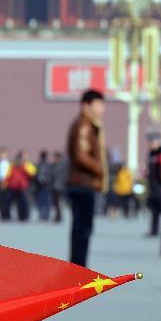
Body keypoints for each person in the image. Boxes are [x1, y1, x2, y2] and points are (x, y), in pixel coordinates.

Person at [66, 89, 107, 267]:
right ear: (86, 105)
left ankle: (79, 267)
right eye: (98, 104)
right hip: (82, 183)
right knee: (82, 230)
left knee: (82, 229)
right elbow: (81, 155)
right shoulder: (84, 125)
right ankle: (78, 268)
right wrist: (100, 169)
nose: (102, 109)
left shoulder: (90, 125)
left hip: (84, 183)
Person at [145, 136, 161, 236]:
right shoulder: (151, 154)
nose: (150, 144)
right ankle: (154, 230)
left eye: (152, 142)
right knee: (154, 211)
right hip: (153, 186)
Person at [4, 151, 34, 222]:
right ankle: (7, 216)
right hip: (12, 187)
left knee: (23, 202)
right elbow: (8, 176)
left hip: (23, 187)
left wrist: (25, 166)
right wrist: (5, 184)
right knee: (10, 203)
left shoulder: (26, 165)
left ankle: (23, 216)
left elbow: (33, 173)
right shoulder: (12, 166)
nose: (18, 161)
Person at [34, 149, 53, 221]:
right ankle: (43, 215)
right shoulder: (44, 165)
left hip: (44, 186)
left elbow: (50, 175)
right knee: (43, 201)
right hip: (41, 186)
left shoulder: (41, 165)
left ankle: (45, 215)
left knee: (44, 201)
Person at [0, 146, 12, 221]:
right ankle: (2, 215)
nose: (2, 155)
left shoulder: (10, 164)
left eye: (4, 153)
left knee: (8, 200)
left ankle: (7, 215)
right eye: (1, 153)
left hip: (8, 184)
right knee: (0, 200)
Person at [50, 151, 68, 223]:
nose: (54, 158)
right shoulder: (54, 165)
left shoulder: (62, 165)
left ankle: (59, 216)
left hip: (60, 187)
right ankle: (57, 216)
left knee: (59, 202)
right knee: (55, 203)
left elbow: (64, 176)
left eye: (55, 157)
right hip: (54, 186)